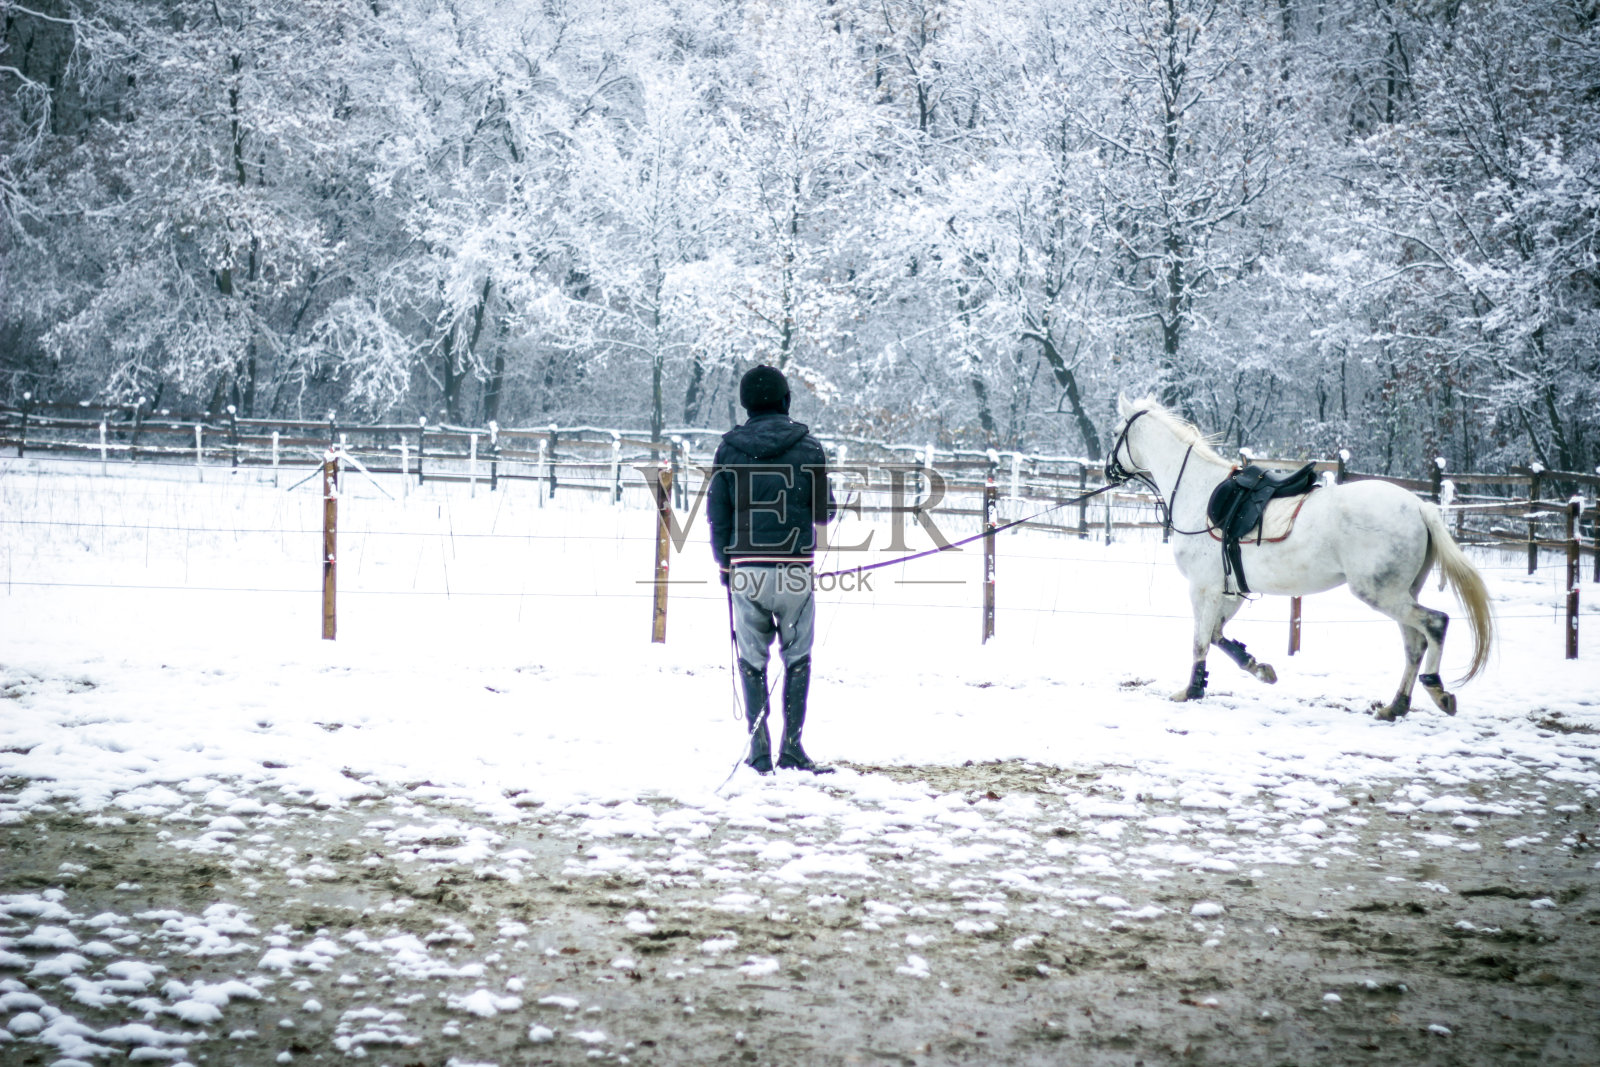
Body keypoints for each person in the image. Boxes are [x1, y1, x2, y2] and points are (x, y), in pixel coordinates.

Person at [708, 365, 837, 775]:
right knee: (797, 657)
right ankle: (793, 748)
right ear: (785, 400)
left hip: (745, 567)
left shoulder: (728, 450)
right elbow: (824, 510)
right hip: (795, 568)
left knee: (752, 657)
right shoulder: (810, 448)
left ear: (746, 404)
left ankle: (759, 751)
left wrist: (726, 566)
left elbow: (718, 515)